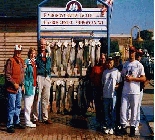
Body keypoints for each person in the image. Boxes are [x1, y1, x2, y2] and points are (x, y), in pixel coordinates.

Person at [120, 46, 146, 137]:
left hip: (135, 91)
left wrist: (133, 79)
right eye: (130, 52)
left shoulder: (139, 65)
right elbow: (122, 75)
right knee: (123, 109)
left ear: (135, 53)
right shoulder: (125, 64)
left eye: (132, 52)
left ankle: (132, 128)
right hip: (125, 91)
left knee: (134, 110)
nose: (131, 53)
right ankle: (123, 127)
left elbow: (143, 78)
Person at [5, 45, 25, 133]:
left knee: (18, 106)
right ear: (14, 51)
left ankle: (17, 122)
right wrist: (14, 84)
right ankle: (10, 125)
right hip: (12, 88)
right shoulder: (10, 61)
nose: (18, 53)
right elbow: (7, 75)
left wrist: (22, 84)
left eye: (20, 51)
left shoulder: (21, 61)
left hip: (19, 88)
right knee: (11, 107)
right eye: (17, 51)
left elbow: (22, 74)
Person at [32, 38, 52, 124]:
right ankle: (35, 118)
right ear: (39, 45)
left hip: (47, 77)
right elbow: (35, 65)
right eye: (41, 44)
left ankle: (45, 117)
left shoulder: (48, 54)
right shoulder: (36, 55)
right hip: (39, 77)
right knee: (37, 98)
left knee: (46, 98)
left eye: (44, 44)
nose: (43, 46)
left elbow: (49, 65)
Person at [101, 57, 121, 135]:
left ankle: (112, 126)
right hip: (106, 94)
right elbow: (103, 83)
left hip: (113, 95)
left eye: (111, 62)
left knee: (113, 111)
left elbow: (119, 82)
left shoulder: (116, 71)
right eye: (108, 62)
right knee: (106, 111)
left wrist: (118, 86)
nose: (109, 64)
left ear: (113, 63)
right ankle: (107, 125)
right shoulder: (105, 72)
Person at [135, 49, 151, 132]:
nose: (138, 57)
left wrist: (144, 85)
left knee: (137, 106)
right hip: (132, 88)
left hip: (139, 88)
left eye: (139, 55)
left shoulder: (143, 65)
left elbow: (149, 76)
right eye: (137, 55)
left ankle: (137, 122)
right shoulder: (132, 64)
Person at [90, 53, 106, 123]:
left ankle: (104, 120)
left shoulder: (107, 67)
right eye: (101, 58)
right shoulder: (95, 67)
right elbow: (91, 77)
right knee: (98, 105)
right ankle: (98, 120)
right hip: (97, 89)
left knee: (104, 105)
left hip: (105, 90)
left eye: (103, 58)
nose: (102, 60)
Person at [24, 47, 37, 128]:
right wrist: (24, 84)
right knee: (27, 104)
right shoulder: (27, 62)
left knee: (31, 104)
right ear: (29, 54)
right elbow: (24, 73)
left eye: (34, 53)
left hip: (34, 85)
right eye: (31, 53)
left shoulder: (35, 62)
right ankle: (27, 121)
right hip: (28, 85)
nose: (33, 55)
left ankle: (28, 119)